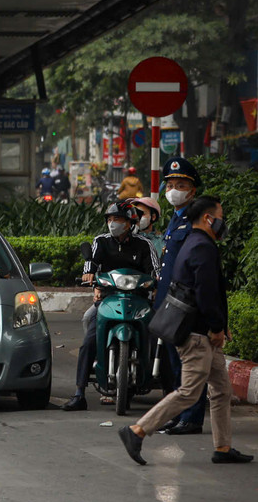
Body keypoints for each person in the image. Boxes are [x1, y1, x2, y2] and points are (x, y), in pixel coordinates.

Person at [118, 197, 251, 466]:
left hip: (201, 333)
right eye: (220, 215)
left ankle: (223, 448)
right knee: (189, 392)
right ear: (208, 219)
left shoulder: (192, 243)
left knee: (222, 390)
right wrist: (216, 327)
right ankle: (137, 431)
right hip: (197, 335)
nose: (223, 221)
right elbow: (206, 292)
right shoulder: (202, 247)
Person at [61, 202, 158, 411]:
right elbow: (91, 263)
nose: (113, 224)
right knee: (89, 337)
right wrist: (89, 274)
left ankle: (159, 376)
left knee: (158, 334)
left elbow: (155, 270)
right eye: (110, 219)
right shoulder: (101, 242)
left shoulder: (144, 245)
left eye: (119, 220)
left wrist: (156, 281)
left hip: (138, 301)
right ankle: (79, 392)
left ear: (130, 223)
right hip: (108, 299)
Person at [154, 157, 207, 433]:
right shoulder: (174, 219)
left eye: (181, 184)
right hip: (170, 301)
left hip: (186, 302)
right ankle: (180, 413)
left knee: (189, 364)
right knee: (174, 362)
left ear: (192, 190)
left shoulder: (196, 220)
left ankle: (192, 417)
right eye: (170, 184)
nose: (174, 189)